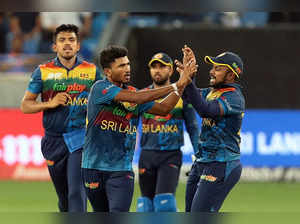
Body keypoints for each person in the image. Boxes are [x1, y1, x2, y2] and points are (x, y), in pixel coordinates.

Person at [81, 45, 197, 212]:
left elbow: (164, 109)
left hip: (121, 170)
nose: (127, 69)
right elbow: (135, 97)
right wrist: (176, 85)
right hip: (92, 168)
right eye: (121, 66)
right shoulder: (100, 88)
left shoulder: (134, 93)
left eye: (128, 64)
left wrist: (182, 84)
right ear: (107, 72)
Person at [20, 24, 102, 212]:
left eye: (71, 40)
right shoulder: (43, 71)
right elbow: (25, 105)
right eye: (62, 40)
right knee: (64, 197)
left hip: (80, 138)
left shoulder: (91, 71)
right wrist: (49, 104)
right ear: (54, 46)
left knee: (77, 191)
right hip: (53, 141)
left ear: (78, 46)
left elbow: (105, 98)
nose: (67, 44)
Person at [176, 46, 245, 212]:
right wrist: (189, 72)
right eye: (212, 67)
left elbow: (205, 110)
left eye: (218, 68)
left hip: (222, 164)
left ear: (231, 74)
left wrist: (189, 78)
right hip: (202, 162)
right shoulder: (212, 92)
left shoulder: (234, 97)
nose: (212, 72)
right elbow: (188, 97)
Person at [135, 52, 199, 212]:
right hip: (146, 155)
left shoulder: (181, 95)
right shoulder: (142, 95)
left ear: (171, 71)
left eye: (162, 67)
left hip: (170, 155)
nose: (157, 70)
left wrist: (199, 153)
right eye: (154, 67)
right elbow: (131, 125)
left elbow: (192, 127)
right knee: (145, 207)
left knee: (165, 203)